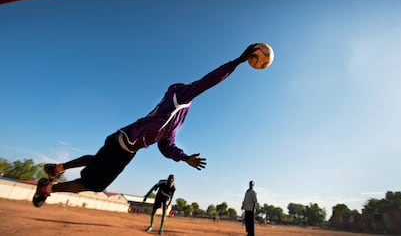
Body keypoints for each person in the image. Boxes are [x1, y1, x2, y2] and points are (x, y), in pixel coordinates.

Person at [32, 43, 259, 208]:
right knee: (96, 177)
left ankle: (54, 174)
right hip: (125, 139)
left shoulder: (178, 116)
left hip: (127, 149)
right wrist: (237, 61)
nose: (191, 88)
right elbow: (208, 81)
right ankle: (50, 182)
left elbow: (166, 145)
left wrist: (184, 157)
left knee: (96, 171)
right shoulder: (179, 96)